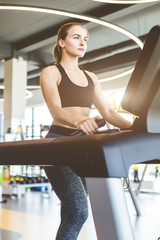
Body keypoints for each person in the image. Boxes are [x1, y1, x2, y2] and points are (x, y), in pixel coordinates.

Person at [40, 22, 132, 240]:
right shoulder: (51, 72)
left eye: (85, 39)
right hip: (59, 143)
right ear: (61, 42)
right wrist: (79, 121)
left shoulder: (91, 77)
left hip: (83, 146)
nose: (82, 43)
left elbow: (109, 112)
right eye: (76, 37)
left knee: (72, 211)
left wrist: (138, 126)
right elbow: (56, 110)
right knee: (79, 212)